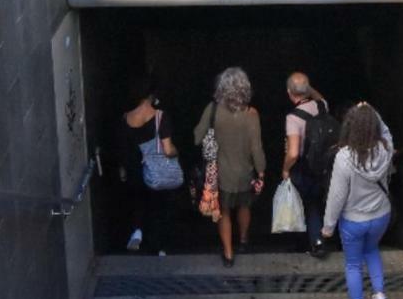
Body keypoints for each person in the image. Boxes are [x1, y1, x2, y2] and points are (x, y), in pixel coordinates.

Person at [321, 102, 395, 299]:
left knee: (353, 264)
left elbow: (337, 196)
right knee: (372, 251)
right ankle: (380, 298)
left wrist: (328, 227)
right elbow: (386, 131)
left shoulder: (344, 157)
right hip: (381, 215)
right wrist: (373, 112)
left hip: (353, 221)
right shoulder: (385, 148)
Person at [194, 68, 266, 267]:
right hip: (245, 172)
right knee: (244, 206)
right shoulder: (252, 113)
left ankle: (228, 253)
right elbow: (256, 146)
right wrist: (261, 170)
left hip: (221, 172)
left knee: (224, 211)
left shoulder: (213, 109)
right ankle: (243, 240)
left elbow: (197, 137)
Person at [120, 80, 180, 256]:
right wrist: (177, 153)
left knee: (139, 202)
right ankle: (160, 247)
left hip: (134, 168)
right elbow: (168, 149)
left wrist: (123, 169)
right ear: (151, 96)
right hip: (156, 169)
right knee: (159, 207)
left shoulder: (126, 118)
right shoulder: (160, 117)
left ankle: (137, 231)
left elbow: (122, 147)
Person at [281, 72, 333, 258]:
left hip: (304, 167)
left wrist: (286, 169)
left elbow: (293, 152)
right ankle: (317, 239)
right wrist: (307, 87)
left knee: (304, 204)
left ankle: (313, 242)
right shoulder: (322, 105)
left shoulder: (293, 118)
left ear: (289, 92)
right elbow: (318, 96)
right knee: (318, 202)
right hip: (326, 164)